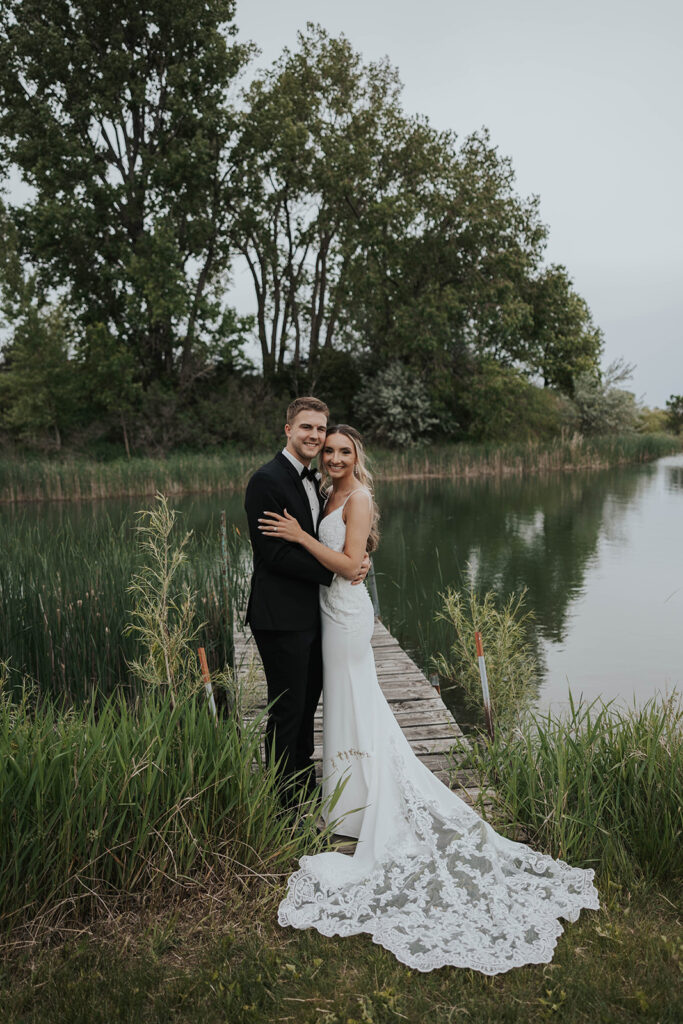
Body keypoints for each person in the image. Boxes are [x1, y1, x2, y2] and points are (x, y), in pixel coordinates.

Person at [257, 424, 600, 976]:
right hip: (327, 612)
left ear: (356, 456)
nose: (337, 456)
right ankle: (347, 801)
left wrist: (300, 536)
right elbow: (346, 557)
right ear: (320, 454)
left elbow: (348, 565)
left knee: (355, 696)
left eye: (345, 450)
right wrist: (317, 536)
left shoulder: (360, 496)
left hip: (344, 614)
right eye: (330, 450)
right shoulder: (326, 494)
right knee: (344, 702)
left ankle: (366, 801)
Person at [244, 397, 369, 807]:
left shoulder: (318, 482)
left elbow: (338, 536)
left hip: (316, 615)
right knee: (287, 713)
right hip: (280, 617)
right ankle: (283, 806)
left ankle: (303, 787)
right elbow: (273, 554)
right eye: (307, 428)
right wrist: (340, 570)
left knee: (305, 710)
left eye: (321, 428)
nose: (315, 436)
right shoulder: (267, 480)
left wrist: (356, 560)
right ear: (288, 430)